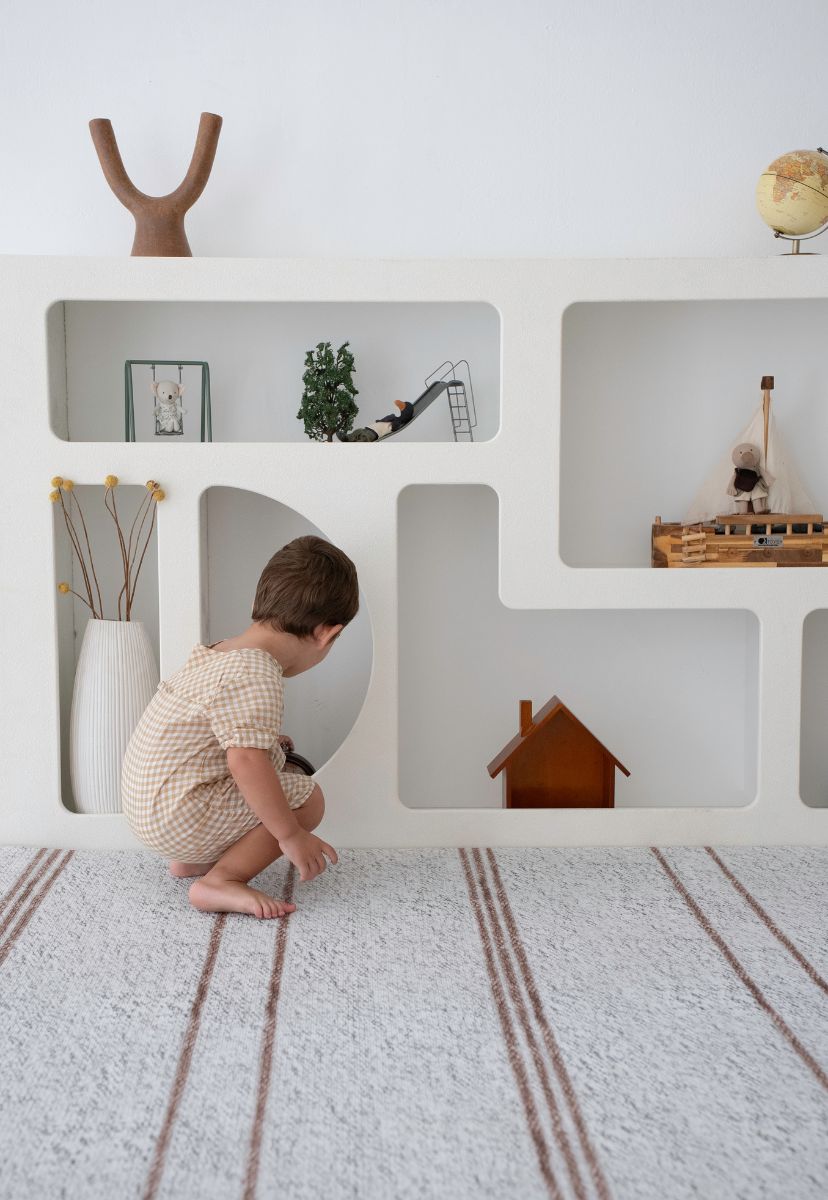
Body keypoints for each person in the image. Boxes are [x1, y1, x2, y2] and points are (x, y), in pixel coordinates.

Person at [121, 535, 359, 920]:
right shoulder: (259, 673)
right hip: (179, 815)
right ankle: (222, 880)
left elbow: (210, 731)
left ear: (256, 603)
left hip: (145, 808)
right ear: (326, 634)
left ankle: (193, 860)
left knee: (268, 762)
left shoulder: (221, 653)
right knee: (307, 798)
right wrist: (290, 835)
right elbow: (245, 761)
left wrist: (267, 742)